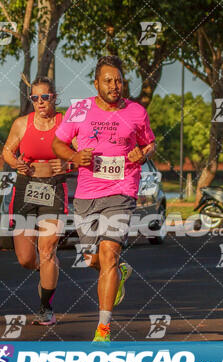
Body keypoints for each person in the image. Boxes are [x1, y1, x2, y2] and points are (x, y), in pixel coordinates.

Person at [52, 56, 155, 342]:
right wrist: (73, 156)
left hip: (122, 189)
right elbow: (57, 143)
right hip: (86, 193)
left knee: (109, 252)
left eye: (119, 80)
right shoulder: (79, 109)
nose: (114, 85)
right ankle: (118, 272)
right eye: (108, 80)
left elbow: (149, 143)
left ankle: (103, 329)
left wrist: (142, 153)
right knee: (92, 259)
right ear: (96, 83)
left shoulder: (136, 112)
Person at [1, 77, 69, 326]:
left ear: (54, 97)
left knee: (47, 249)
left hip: (54, 188)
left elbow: (82, 153)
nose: (40, 102)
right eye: (35, 98)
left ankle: (45, 307)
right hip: (25, 189)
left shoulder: (66, 123)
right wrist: (14, 162)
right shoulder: (21, 124)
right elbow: (7, 150)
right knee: (26, 258)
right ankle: (48, 269)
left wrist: (68, 163)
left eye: (45, 97)